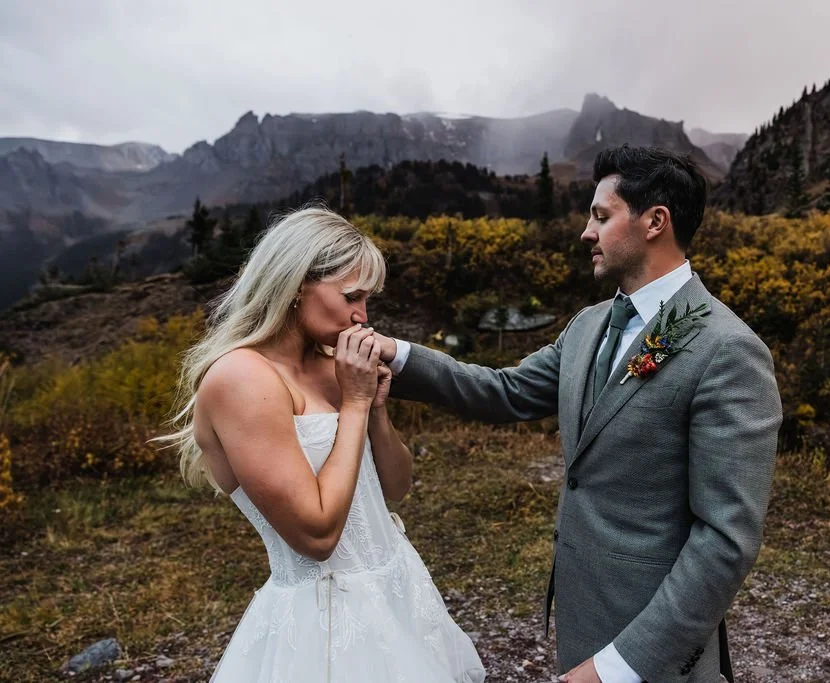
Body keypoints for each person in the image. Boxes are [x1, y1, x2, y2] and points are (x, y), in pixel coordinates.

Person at [375, 146, 783, 683]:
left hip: (652, 649)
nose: (586, 233)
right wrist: (391, 354)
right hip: (580, 619)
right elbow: (504, 391)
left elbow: (725, 540)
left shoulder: (727, 350)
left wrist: (616, 668)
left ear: (655, 221)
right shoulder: (587, 326)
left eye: (601, 215)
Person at [159, 207, 485, 683]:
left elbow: (396, 486)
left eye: (368, 299)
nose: (362, 316)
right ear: (293, 287)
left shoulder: (333, 363)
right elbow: (316, 536)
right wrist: (352, 404)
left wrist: (373, 408)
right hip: (325, 623)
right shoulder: (241, 379)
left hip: (397, 588)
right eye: (351, 296)